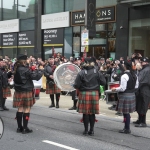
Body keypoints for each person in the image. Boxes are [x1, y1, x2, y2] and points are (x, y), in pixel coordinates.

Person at [74, 57, 106, 136]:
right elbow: (104, 83)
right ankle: (91, 130)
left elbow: (76, 85)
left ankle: (85, 130)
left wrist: (76, 85)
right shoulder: (97, 72)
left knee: (85, 113)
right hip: (94, 93)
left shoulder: (81, 73)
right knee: (92, 113)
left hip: (84, 93)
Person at [13, 54, 43, 134]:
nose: (28, 60)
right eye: (27, 59)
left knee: (20, 108)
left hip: (18, 91)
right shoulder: (25, 69)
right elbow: (36, 77)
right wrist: (40, 70)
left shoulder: (16, 68)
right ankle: (25, 128)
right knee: (27, 109)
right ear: (24, 61)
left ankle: (19, 128)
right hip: (26, 91)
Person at [112, 61, 138, 134]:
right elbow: (136, 86)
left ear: (125, 66)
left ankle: (127, 128)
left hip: (125, 95)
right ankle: (127, 127)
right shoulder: (134, 75)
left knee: (125, 113)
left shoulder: (124, 76)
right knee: (127, 113)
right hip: (132, 95)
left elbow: (122, 88)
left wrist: (115, 89)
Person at [134, 57, 150, 127]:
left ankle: (143, 122)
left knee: (143, 104)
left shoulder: (147, 70)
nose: (141, 63)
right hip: (141, 88)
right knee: (140, 104)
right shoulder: (144, 69)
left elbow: (143, 81)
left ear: (146, 62)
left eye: (142, 62)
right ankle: (140, 120)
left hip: (144, 88)